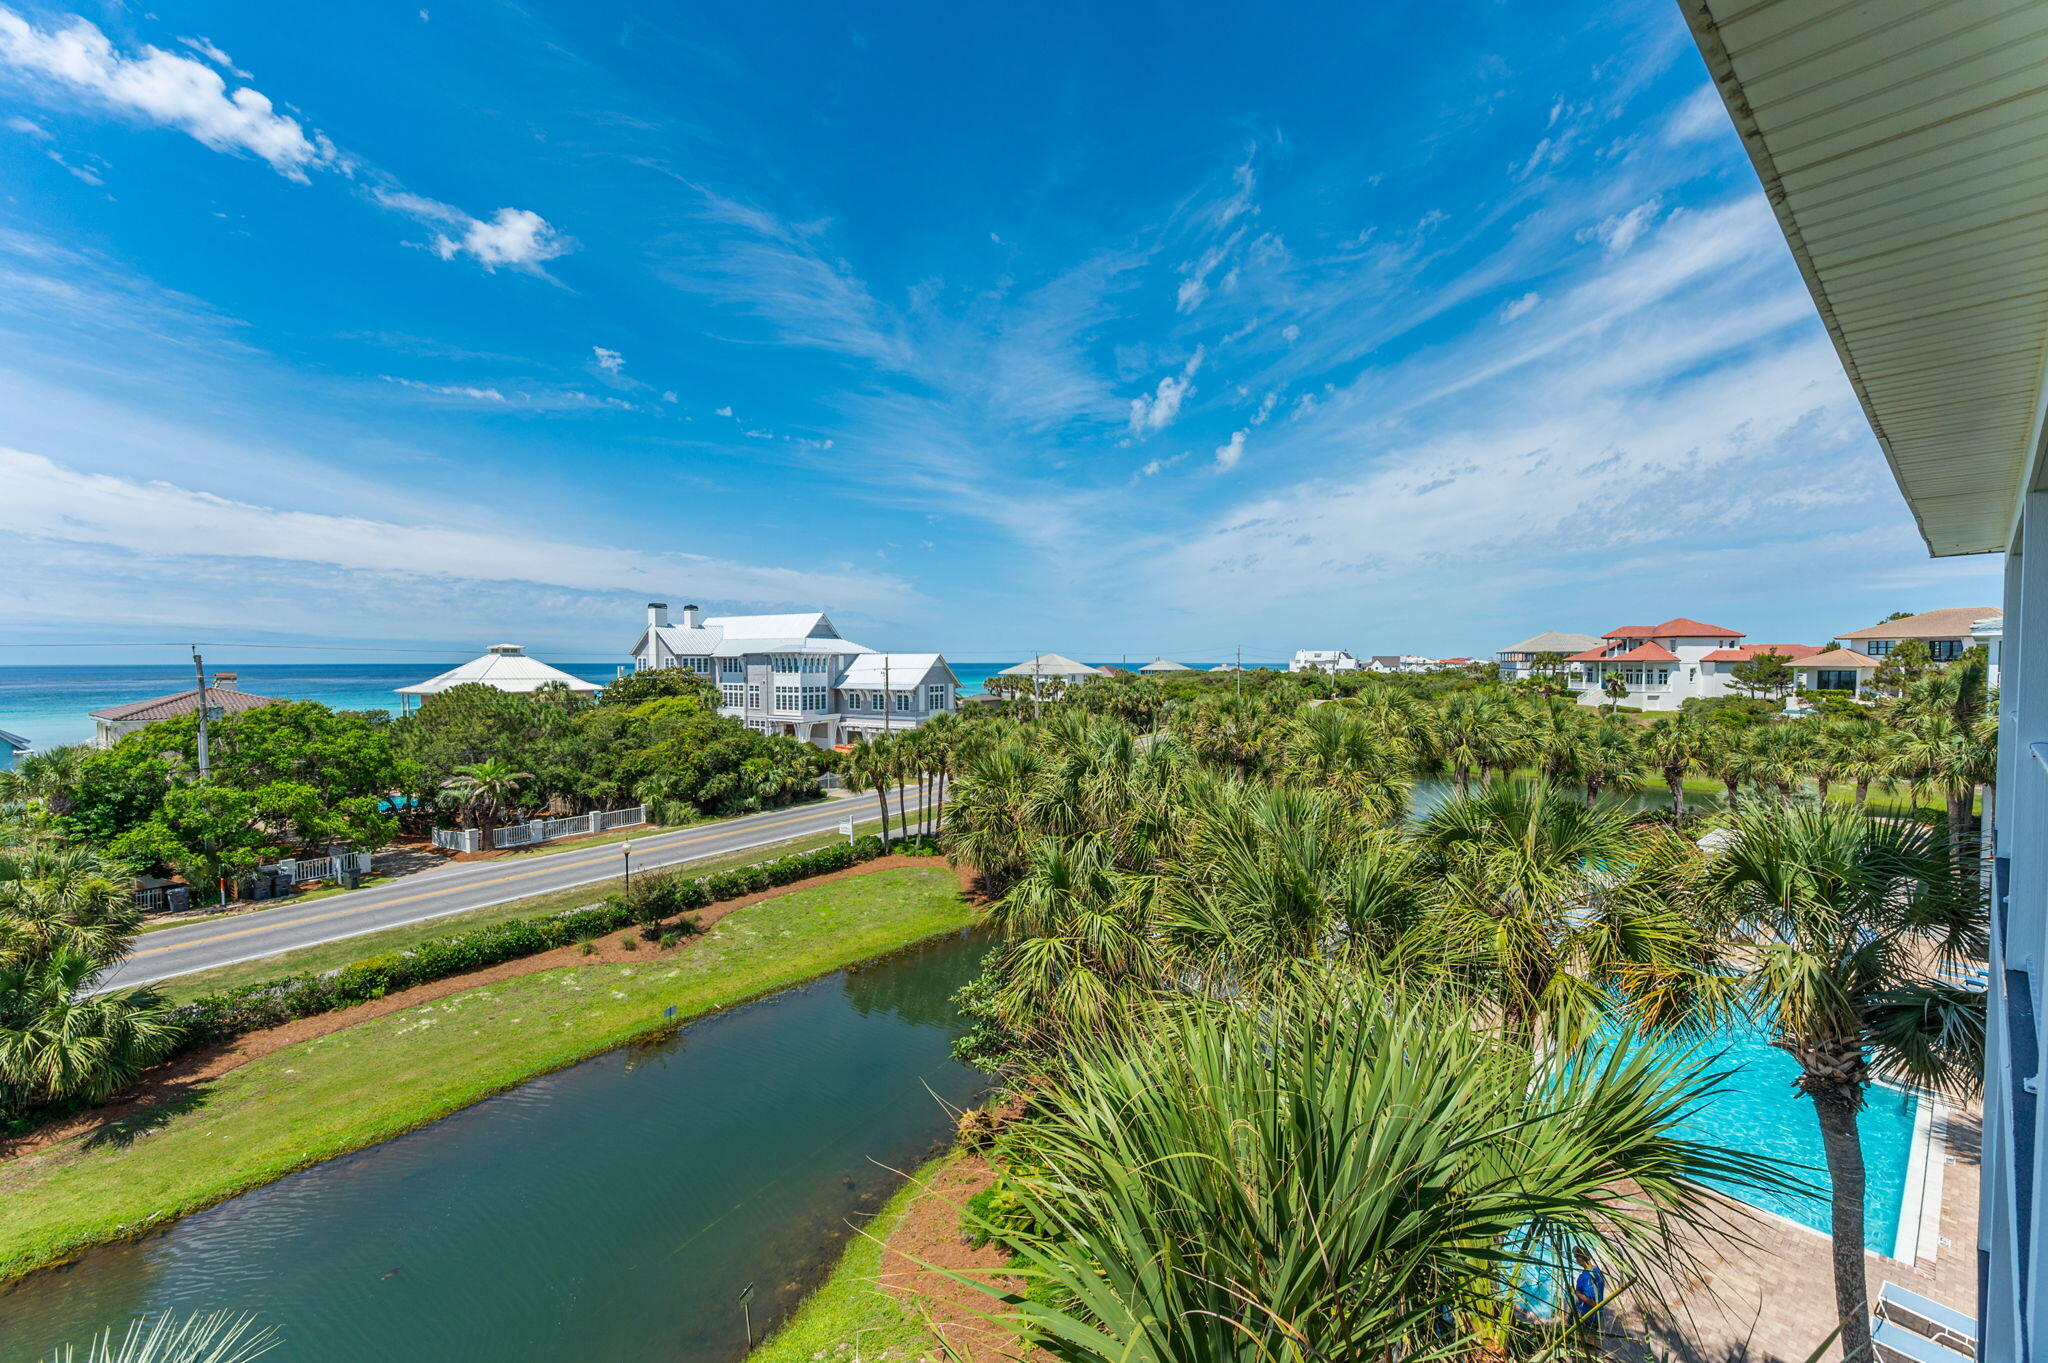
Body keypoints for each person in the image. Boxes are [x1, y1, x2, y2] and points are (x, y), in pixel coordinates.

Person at [1569, 1245, 1608, 1345]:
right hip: (1595, 1316)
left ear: (1580, 1258)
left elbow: (1592, 1302)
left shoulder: (1587, 1277)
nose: (1576, 1260)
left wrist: (1576, 1293)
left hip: (1587, 1316)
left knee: (1584, 1342)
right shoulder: (1596, 1271)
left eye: (1576, 1257)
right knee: (1592, 1341)